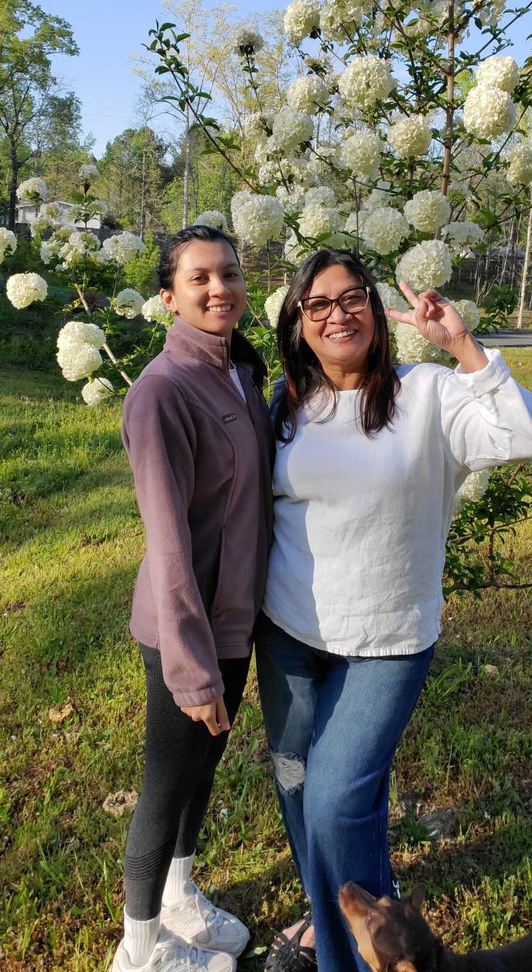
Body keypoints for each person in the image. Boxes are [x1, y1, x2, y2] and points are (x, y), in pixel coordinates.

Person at [255, 248, 532, 972]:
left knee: (334, 804)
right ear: (298, 322)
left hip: (386, 643)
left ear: (376, 310)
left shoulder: (428, 394)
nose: (338, 314)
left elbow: (529, 437)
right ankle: (352, 933)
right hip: (290, 636)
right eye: (318, 303)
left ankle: (345, 961)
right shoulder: (286, 403)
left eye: (351, 296)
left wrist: (462, 346)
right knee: (299, 790)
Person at [112, 225, 274, 972]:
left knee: (204, 769)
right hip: (187, 633)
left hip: (234, 623)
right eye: (201, 278)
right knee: (165, 782)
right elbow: (170, 545)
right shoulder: (162, 392)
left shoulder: (238, 371)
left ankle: (179, 895)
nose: (221, 289)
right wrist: (193, 670)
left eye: (231, 274)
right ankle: (139, 953)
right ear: (168, 295)